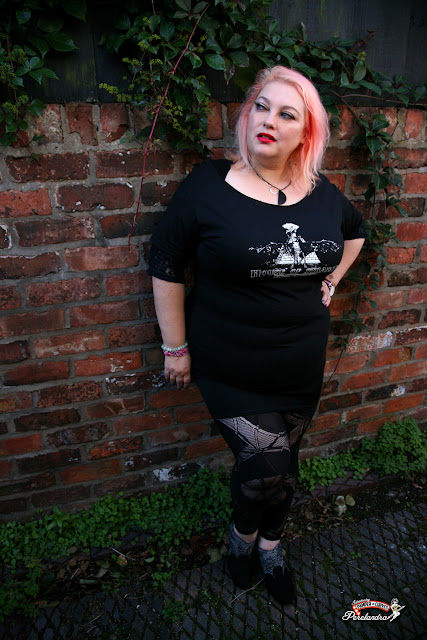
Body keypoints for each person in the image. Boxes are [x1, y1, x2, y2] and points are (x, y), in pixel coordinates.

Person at [147, 65, 366, 605]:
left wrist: (333, 280)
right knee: (266, 466)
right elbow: (166, 261)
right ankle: (242, 539)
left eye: (286, 114)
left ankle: (272, 545)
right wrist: (175, 347)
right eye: (261, 107)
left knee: (284, 466)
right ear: (246, 115)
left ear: (306, 133)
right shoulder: (208, 185)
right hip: (231, 362)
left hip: (299, 361)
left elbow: (357, 232)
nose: (268, 120)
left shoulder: (321, 193)